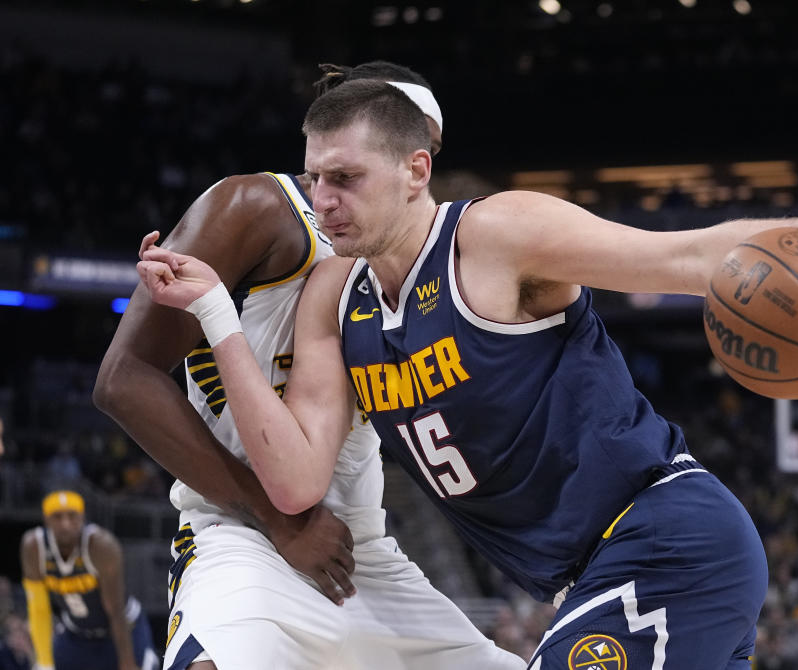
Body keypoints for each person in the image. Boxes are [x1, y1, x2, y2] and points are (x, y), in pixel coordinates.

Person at [136, 79, 798, 669]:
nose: (323, 202)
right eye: (314, 179)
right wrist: (217, 317)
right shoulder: (336, 297)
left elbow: (684, 256)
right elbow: (295, 481)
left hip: (664, 538)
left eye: (345, 178)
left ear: (414, 171)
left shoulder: (496, 237)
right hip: (589, 577)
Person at [95, 62, 524, 669]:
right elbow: (123, 379)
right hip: (243, 534)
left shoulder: (415, 262)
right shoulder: (255, 205)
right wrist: (278, 521)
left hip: (359, 550)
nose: (419, 177)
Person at [19, 490, 158, 670]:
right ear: (46, 520)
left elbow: (115, 611)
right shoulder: (33, 547)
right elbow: (38, 609)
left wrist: (127, 663)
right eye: (57, 517)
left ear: (82, 517)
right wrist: (45, 663)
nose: (65, 524)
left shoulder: (101, 546)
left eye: (72, 516)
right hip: (77, 633)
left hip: (122, 629)